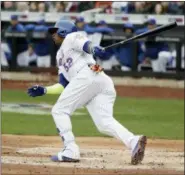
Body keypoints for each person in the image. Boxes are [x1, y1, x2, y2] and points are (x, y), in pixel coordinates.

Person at [27, 19, 147, 165]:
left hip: (88, 75)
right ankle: (133, 141)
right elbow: (64, 84)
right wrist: (45, 90)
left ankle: (70, 149)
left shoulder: (72, 37)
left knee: (59, 111)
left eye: (55, 31)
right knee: (103, 123)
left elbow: (85, 44)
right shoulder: (60, 56)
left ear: (64, 31)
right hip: (98, 80)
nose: (53, 34)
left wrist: (93, 48)